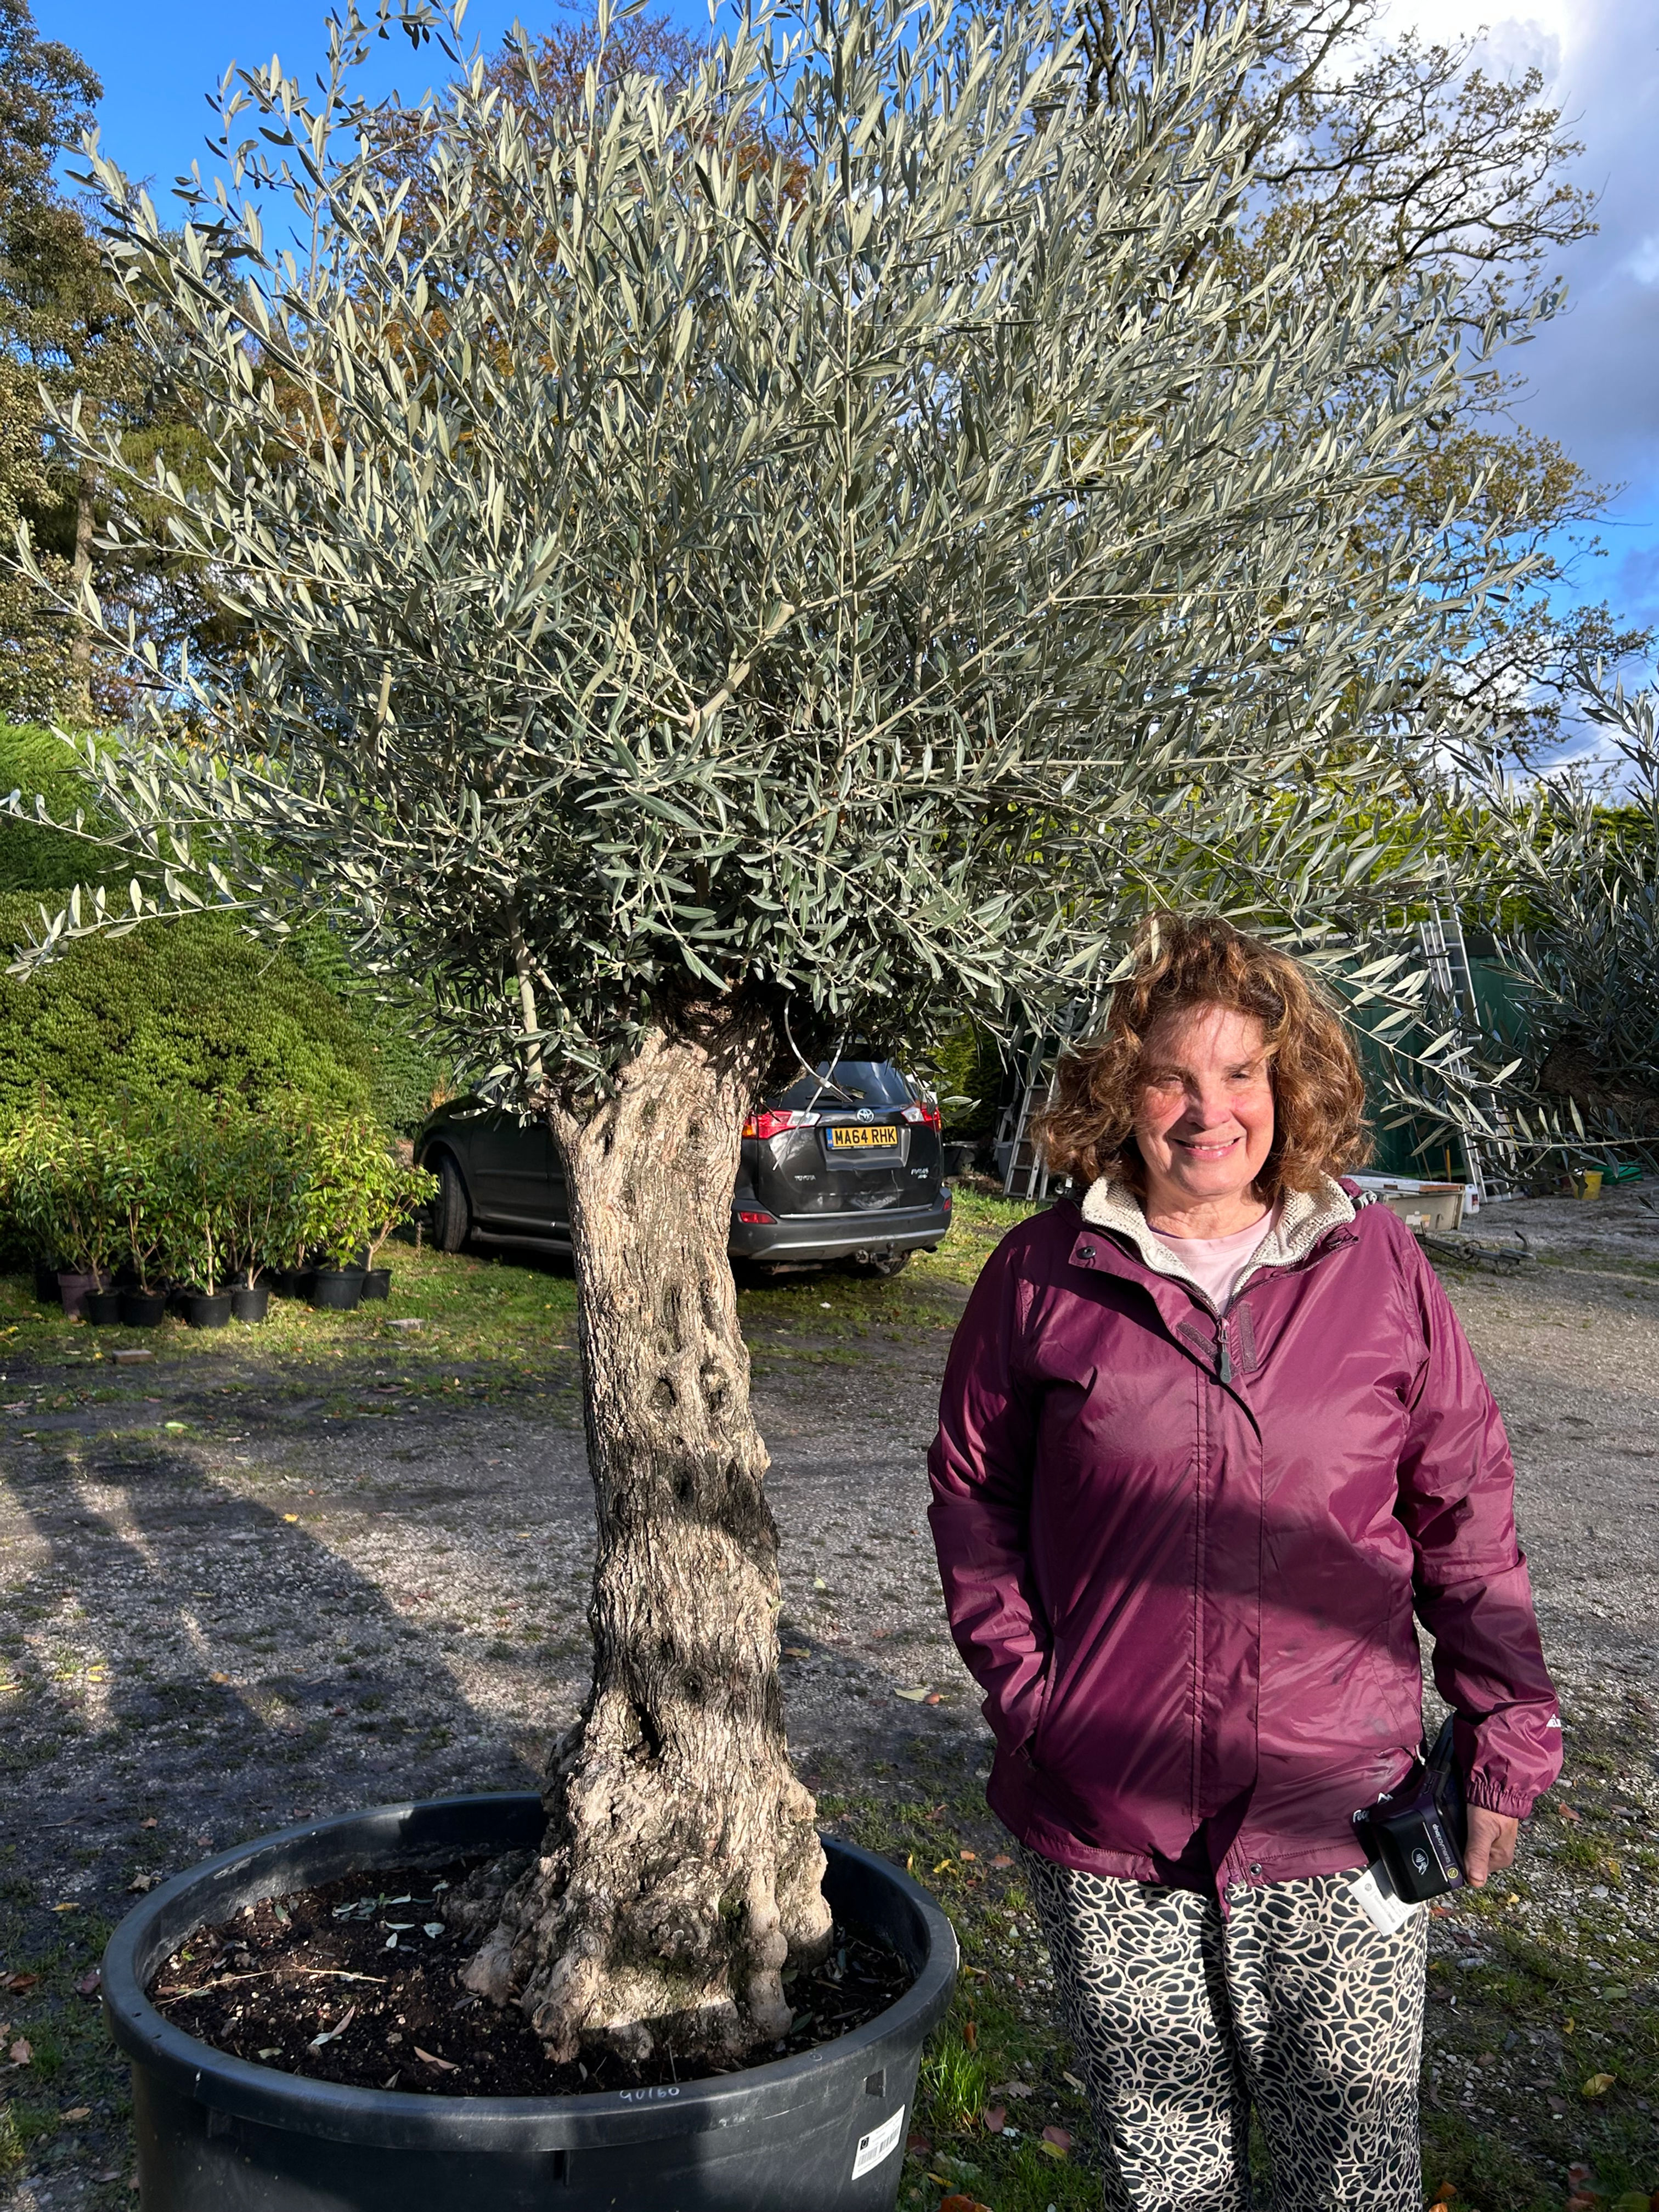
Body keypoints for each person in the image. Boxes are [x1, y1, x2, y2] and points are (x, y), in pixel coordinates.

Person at [927, 914, 1560, 2212]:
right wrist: (1038, 1701)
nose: (1208, 1111)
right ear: (1121, 1090)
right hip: (1110, 1816)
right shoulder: (1041, 1275)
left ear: (1291, 1089)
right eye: (1172, 1075)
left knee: (1353, 2178)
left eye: (1241, 1075)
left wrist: (1505, 1735)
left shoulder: (1377, 1266)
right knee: (1165, 2180)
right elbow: (974, 1495)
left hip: (1339, 1812)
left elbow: (1466, 1511)